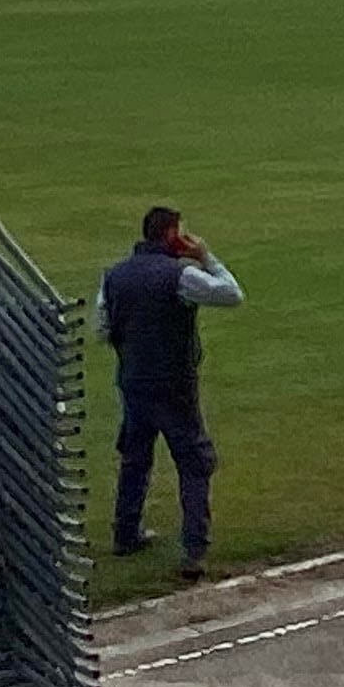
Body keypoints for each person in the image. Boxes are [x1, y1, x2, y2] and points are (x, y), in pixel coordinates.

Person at [98, 205, 243, 582]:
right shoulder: (180, 276)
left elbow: (103, 328)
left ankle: (125, 533)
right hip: (175, 386)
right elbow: (231, 294)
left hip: (132, 381)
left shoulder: (113, 276)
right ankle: (194, 550)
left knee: (134, 458)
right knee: (193, 464)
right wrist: (205, 256)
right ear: (171, 235)